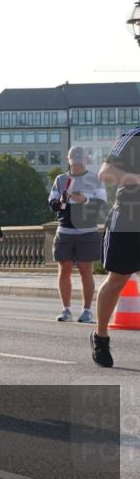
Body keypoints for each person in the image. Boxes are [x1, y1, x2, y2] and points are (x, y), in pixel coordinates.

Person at [90, 126, 140, 367]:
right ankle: (100, 336)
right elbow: (105, 173)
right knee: (117, 280)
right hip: (129, 219)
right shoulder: (134, 136)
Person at [48, 146, 106, 323]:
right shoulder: (61, 179)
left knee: (85, 270)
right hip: (65, 230)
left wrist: (85, 200)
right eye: (74, 163)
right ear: (68, 160)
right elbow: (52, 205)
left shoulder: (94, 179)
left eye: (80, 163)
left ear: (86, 161)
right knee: (64, 269)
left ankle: (87, 311)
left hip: (87, 231)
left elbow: (101, 203)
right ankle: (66, 310)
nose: (77, 166)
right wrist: (63, 201)